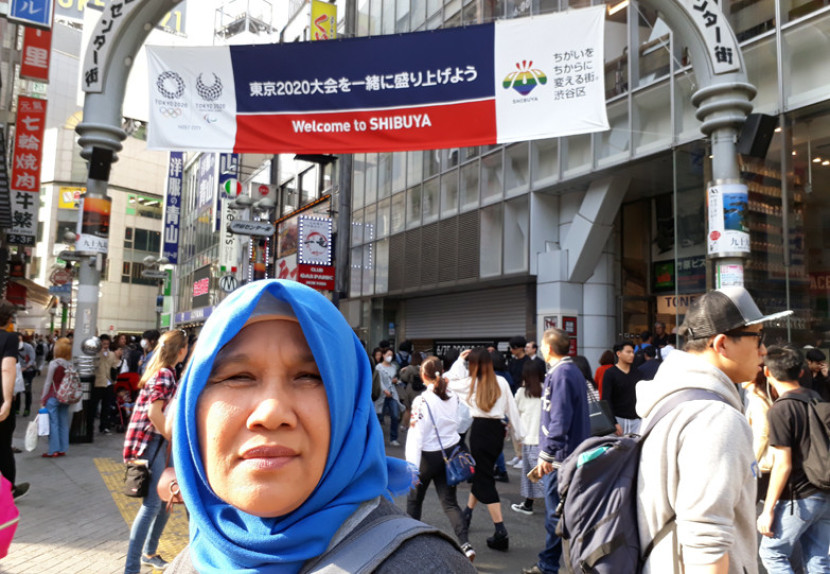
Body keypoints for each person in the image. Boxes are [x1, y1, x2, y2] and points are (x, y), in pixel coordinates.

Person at [166, 279, 475, 573]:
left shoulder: (428, 566)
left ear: (351, 406)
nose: (271, 413)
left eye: (310, 377)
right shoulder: (186, 564)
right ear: (192, 407)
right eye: (237, 376)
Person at [636, 286, 789, 574]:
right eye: (758, 337)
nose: (764, 350)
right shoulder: (715, 417)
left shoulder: (670, 397)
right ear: (721, 344)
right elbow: (706, 543)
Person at [521, 328, 590, 574]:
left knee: (557, 517)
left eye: (541, 345)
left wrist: (547, 453)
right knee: (561, 515)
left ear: (548, 348)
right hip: (570, 454)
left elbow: (559, 418)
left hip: (561, 458)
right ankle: (550, 563)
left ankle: (556, 565)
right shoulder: (572, 371)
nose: (540, 349)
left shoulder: (561, 374)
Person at [757, 345, 830, 571]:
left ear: (767, 372)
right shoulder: (815, 397)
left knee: (772, 553)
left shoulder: (781, 409)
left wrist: (768, 509)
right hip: (824, 490)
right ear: (801, 372)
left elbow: (783, 464)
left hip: (799, 496)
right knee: (818, 559)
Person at [122, 329, 189, 574]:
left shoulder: (163, 372)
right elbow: (154, 413)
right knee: (152, 505)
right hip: (149, 444)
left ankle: (149, 553)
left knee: (164, 502)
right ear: (181, 350)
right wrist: (170, 436)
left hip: (152, 443)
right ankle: (131, 568)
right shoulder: (164, 374)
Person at [447, 347, 524, 551]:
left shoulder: (471, 383)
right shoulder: (502, 381)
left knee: (485, 478)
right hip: (497, 431)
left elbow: (449, 382)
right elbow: (512, 410)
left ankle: (500, 530)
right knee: (484, 473)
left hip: (480, 431)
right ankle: (467, 513)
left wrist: (459, 361)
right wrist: (520, 435)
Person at [405, 356, 476, 561]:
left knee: (415, 500)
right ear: (441, 372)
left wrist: (411, 466)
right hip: (449, 453)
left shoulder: (422, 400)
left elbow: (415, 436)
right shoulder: (451, 394)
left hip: (428, 457)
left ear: (423, 376)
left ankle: (409, 542)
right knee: (450, 503)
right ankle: (466, 544)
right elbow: (461, 419)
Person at [0, 301, 28, 500]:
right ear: (9, 319)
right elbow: (7, 368)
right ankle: (8, 489)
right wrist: (7, 401)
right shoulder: (9, 338)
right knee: (3, 446)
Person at [511, 359, 546, 516]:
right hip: (546, 440)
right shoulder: (547, 390)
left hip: (529, 439)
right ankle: (528, 504)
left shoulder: (521, 393)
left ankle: (561, 505)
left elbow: (514, 416)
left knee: (534, 475)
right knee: (541, 475)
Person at [39, 337, 75, 458]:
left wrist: (43, 398)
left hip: (53, 396)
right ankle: (63, 448)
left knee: (53, 423)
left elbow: (48, 382)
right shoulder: (70, 364)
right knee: (63, 422)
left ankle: (53, 450)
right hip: (66, 396)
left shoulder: (54, 364)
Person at [742, 370, 775, 503]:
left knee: (749, 501)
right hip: (763, 460)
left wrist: (753, 459)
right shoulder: (760, 396)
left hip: (761, 461)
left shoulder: (757, 400)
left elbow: (762, 433)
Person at [601, 340, 643, 435]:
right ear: (619, 353)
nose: (632, 355)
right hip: (618, 420)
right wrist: (613, 422)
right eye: (628, 352)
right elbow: (606, 399)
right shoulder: (610, 373)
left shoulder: (638, 373)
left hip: (636, 421)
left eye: (633, 352)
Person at [92, 334, 121, 435]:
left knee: (106, 406)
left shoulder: (112, 354)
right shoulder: (95, 354)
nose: (105, 346)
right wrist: (99, 354)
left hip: (109, 382)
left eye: (107, 344)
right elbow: (94, 365)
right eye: (103, 344)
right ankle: (90, 426)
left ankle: (104, 426)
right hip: (98, 382)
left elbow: (114, 366)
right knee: (94, 406)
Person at [375, 347, 402, 447]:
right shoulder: (379, 367)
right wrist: (385, 390)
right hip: (382, 395)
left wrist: (396, 381)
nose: (390, 357)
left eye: (391, 355)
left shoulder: (394, 367)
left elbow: (394, 380)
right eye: (388, 354)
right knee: (378, 417)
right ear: (383, 355)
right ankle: (376, 438)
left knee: (395, 416)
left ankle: (393, 438)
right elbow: (379, 381)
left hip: (393, 394)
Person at [398, 352, 425, 433]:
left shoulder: (410, 368)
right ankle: (418, 426)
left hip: (411, 389)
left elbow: (404, 378)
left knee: (408, 409)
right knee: (419, 409)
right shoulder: (423, 367)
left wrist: (401, 371)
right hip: (421, 389)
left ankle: (405, 425)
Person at [14, 334, 36, 417]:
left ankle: (27, 409)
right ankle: (17, 409)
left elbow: (32, 359)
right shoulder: (13, 347)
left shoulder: (28, 347)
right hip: (17, 371)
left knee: (27, 391)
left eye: (19, 340)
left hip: (28, 371)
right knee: (17, 391)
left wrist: (25, 367)